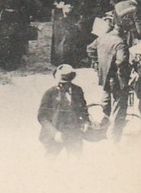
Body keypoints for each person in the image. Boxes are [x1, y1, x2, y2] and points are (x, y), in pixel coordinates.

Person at [87, 8, 130, 143]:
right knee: (119, 104)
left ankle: (104, 125)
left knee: (106, 99)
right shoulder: (119, 43)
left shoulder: (103, 37)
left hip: (105, 75)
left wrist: (98, 62)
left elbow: (90, 48)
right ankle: (114, 133)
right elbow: (121, 61)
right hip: (117, 78)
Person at [37, 64, 90, 155]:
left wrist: (86, 121)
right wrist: (55, 133)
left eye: (65, 83)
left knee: (76, 162)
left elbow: (83, 110)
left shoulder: (78, 90)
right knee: (49, 163)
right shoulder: (50, 93)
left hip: (73, 133)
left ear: (70, 81)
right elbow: (42, 117)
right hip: (55, 134)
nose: (62, 85)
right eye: (60, 82)